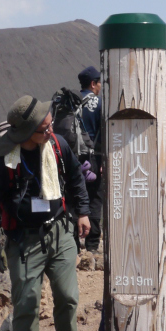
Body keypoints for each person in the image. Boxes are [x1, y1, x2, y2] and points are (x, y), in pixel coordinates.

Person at [0, 95, 91, 331]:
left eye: (51, 124)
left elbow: (77, 179)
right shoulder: (2, 158)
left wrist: (83, 212)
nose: (51, 130)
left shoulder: (57, 145)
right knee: (26, 301)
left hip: (59, 230)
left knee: (68, 297)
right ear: (25, 133)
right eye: (44, 128)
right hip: (23, 238)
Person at [77, 66, 103, 251]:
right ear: (93, 84)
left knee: (74, 196)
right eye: (99, 82)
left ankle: (73, 244)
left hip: (70, 158)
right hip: (92, 159)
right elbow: (103, 135)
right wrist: (102, 163)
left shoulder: (70, 102)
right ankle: (92, 246)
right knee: (94, 199)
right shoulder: (98, 103)